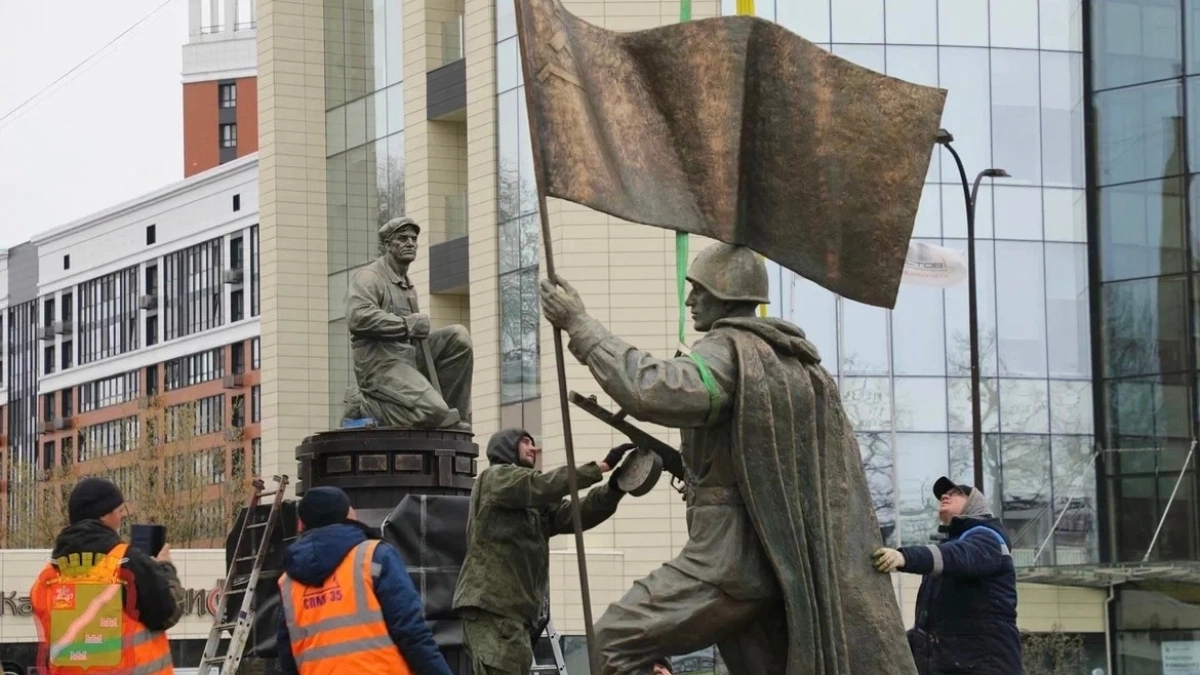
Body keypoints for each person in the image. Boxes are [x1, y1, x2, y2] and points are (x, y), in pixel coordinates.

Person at [539, 243, 917, 675]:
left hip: (728, 564)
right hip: (776, 563)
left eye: (698, 289)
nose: (689, 300)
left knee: (610, 642)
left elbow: (653, 389)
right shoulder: (788, 360)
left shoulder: (729, 349)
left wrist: (579, 325)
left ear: (725, 292)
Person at [452, 429, 633, 675]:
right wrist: (600, 468)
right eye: (524, 442)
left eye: (533, 443)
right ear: (506, 448)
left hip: (514, 615)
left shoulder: (533, 502)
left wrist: (615, 488)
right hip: (494, 610)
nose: (532, 448)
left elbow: (576, 515)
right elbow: (540, 485)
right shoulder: (495, 479)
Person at [277, 486, 453, 675]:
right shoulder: (374, 556)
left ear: (300, 524)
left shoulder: (288, 581)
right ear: (350, 516)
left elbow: (288, 656)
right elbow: (411, 633)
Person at [30, 477, 182, 675]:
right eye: (119, 511)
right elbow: (169, 613)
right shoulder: (128, 564)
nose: (121, 518)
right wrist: (165, 568)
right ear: (105, 515)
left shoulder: (47, 578)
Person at [871, 476, 1021, 674]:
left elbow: (960, 556)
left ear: (975, 504)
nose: (944, 496)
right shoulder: (946, 557)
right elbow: (936, 629)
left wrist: (905, 557)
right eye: (943, 494)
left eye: (956, 493)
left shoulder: (988, 538)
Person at [343, 216, 474, 430]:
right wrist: (406, 325)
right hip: (379, 365)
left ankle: (452, 419)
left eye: (414, 239)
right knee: (432, 411)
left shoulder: (407, 284)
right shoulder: (369, 277)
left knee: (458, 337)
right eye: (403, 238)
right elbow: (358, 317)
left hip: (407, 359)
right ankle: (366, 406)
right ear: (387, 245)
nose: (410, 243)